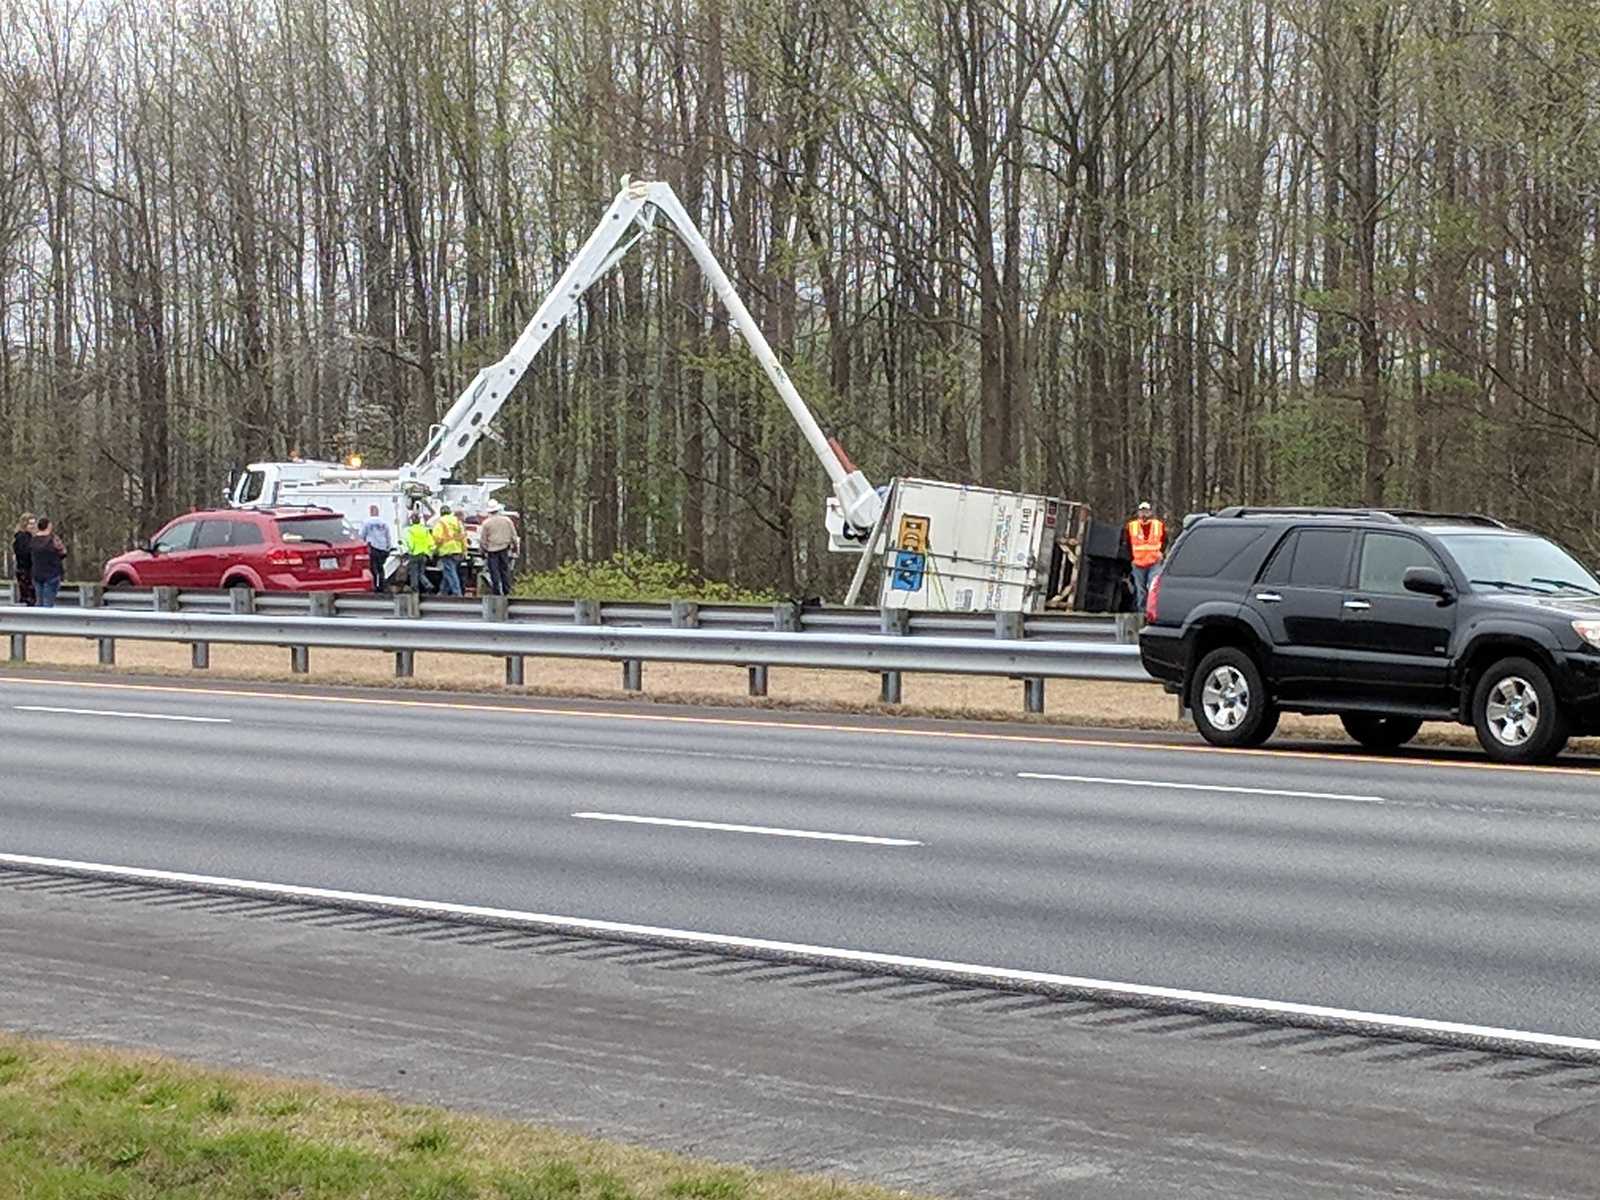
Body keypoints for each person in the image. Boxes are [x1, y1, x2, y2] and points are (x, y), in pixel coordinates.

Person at [1126, 500, 1166, 611]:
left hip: (1154, 563)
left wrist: (1160, 553)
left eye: (1146, 511)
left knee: (1152, 587)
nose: (1144, 514)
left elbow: (1164, 541)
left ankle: (1152, 611)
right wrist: (1132, 558)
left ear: (1150, 512)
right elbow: (1128, 544)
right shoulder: (1131, 526)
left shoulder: (1159, 525)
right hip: (1138, 563)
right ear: (1138, 513)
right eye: (1142, 511)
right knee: (1141, 590)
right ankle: (1141, 612)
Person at [478, 501, 517, 596]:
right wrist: (515, 547)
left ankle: (497, 592)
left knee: (494, 571)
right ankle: (506, 590)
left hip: (492, 550)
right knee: (505, 570)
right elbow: (514, 536)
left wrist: (482, 551)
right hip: (504, 548)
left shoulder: (486, 523)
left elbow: (483, 539)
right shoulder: (507, 521)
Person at [29, 517, 66, 608]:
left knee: (39, 601)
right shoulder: (53, 539)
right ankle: (46, 621)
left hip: (37, 573)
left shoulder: (33, 540)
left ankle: (38, 620)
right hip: (51, 573)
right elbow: (63, 552)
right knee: (48, 602)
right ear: (49, 526)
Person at [358, 504, 393, 593]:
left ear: (370, 512)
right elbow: (388, 536)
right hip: (382, 548)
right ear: (378, 512)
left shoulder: (366, 522)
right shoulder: (384, 523)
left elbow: (362, 536)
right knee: (381, 568)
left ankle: (374, 585)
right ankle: (382, 586)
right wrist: (388, 547)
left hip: (372, 547)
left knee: (373, 568)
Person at [431, 504, 466, 596]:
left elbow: (436, 538)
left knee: (451, 573)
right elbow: (463, 537)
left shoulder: (440, 522)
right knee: (448, 572)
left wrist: (434, 550)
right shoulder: (457, 521)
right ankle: (442, 592)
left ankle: (457, 593)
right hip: (457, 550)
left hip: (446, 551)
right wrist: (464, 550)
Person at [403, 509, 436, 593]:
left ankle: (415, 589)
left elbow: (409, 542)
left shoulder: (410, 530)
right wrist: (430, 553)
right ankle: (428, 585)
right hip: (424, 554)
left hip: (414, 554)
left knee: (414, 573)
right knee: (421, 573)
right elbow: (431, 542)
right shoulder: (425, 530)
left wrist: (409, 551)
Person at [12, 512, 35, 606]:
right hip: (25, 570)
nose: (33, 526)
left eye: (34, 524)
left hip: (29, 569)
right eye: (30, 524)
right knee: (28, 596)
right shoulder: (22, 537)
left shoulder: (29, 537)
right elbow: (23, 554)